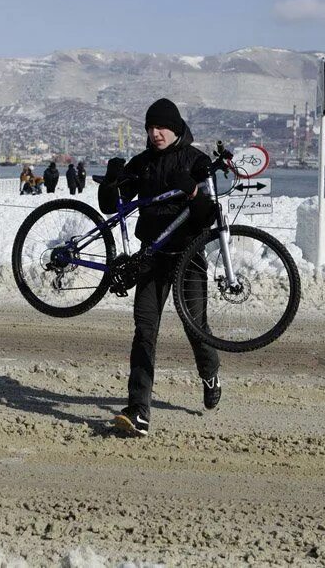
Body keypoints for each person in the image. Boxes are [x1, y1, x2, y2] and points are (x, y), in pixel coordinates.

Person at [98, 98, 220, 437]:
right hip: (151, 256)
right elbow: (112, 206)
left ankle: (210, 375)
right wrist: (110, 182)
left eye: (161, 127)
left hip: (188, 257)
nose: (155, 134)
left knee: (196, 328)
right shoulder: (143, 163)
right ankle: (138, 411)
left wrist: (194, 190)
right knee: (144, 331)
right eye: (150, 128)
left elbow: (210, 213)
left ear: (176, 127)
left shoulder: (197, 161)